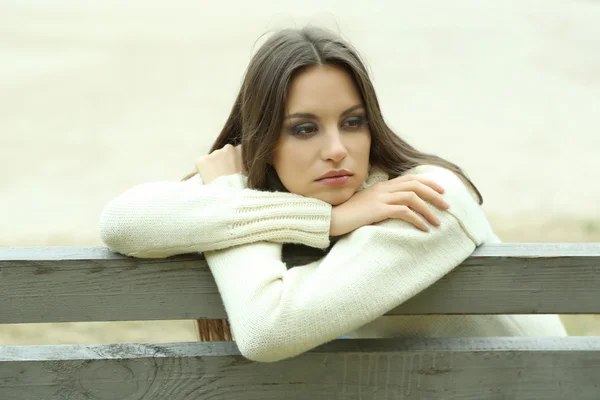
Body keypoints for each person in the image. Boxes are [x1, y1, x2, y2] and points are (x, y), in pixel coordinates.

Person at [99, 25, 566, 362]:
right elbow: (122, 223)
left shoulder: (425, 200)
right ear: (264, 141)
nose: (337, 150)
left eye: (352, 122)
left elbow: (268, 332)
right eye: (304, 129)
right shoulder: (287, 194)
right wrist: (323, 220)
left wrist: (231, 195)